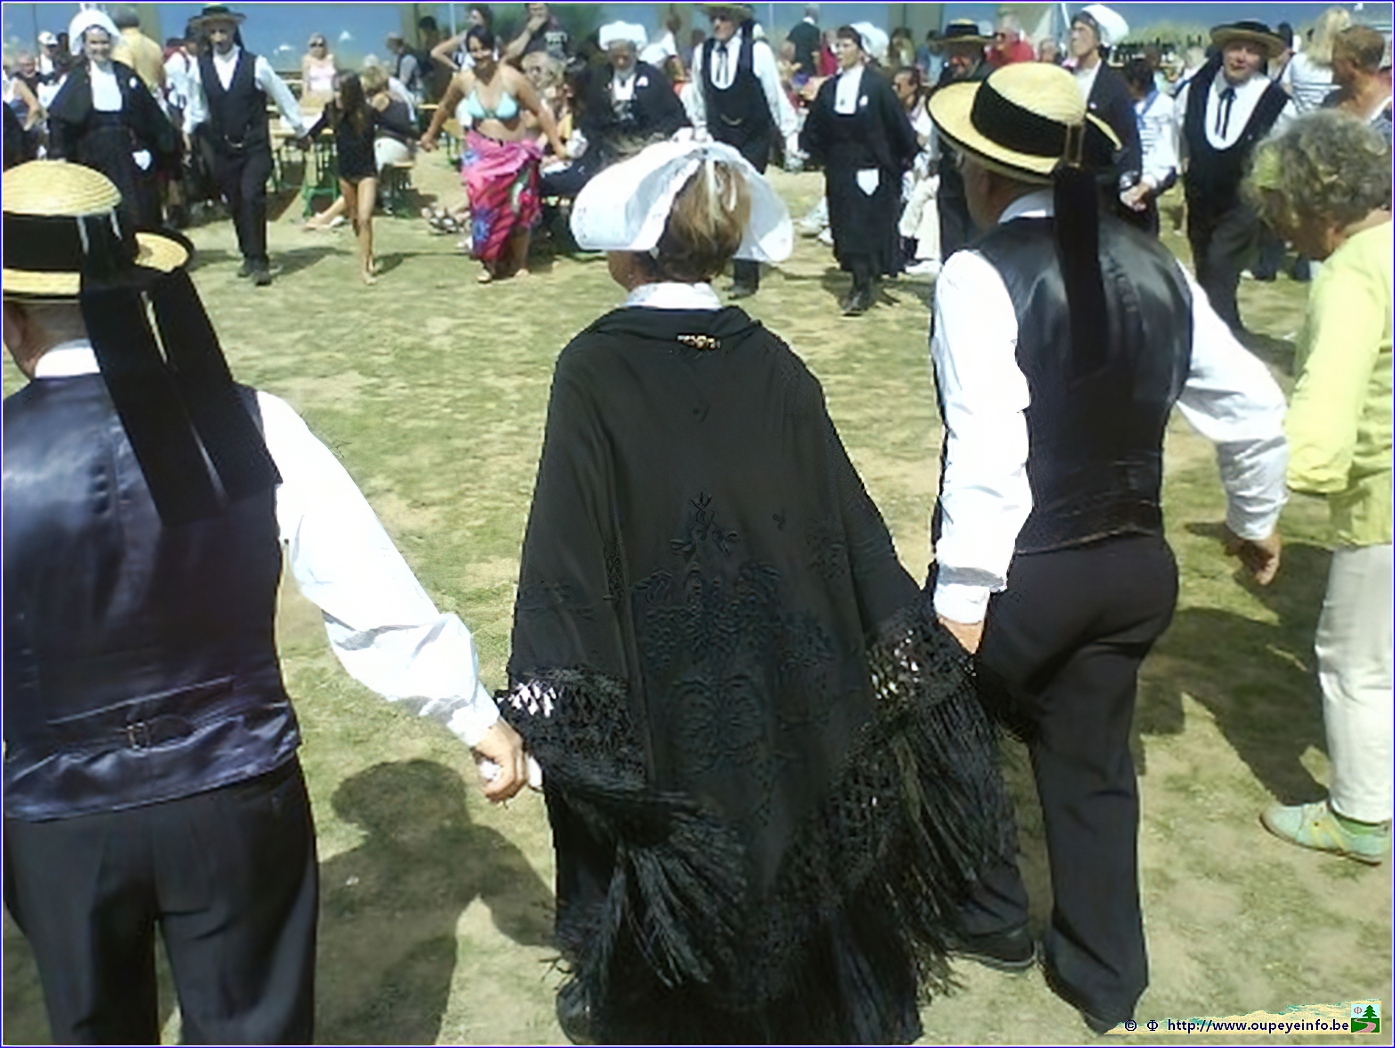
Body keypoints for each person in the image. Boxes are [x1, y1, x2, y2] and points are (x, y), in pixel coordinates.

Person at [1, 159, 528, 1046]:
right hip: (235, 791)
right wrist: (474, 714)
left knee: (91, 1028)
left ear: (12, 317)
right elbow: (364, 589)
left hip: (57, 813)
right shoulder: (252, 420)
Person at [504, 137, 1013, 1045]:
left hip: (663, 680)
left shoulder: (593, 365)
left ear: (625, 249)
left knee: (677, 850)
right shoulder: (770, 357)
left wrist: (555, 698)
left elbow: (567, 556)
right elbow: (845, 534)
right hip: (787, 683)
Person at [925, 61, 1288, 1034]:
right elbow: (1254, 411)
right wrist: (1255, 523)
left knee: (938, 718)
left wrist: (958, 605)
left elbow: (992, 450)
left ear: (983, 172)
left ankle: (994, 913)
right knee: (1092, 765)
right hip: (1135, 564)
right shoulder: (1158, 263)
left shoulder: (976, 271)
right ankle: (1105, 972)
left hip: (1029, 572)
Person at [1245, 112, 1392, 865]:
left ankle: (1361, 815)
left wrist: (1265, 505)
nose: (1275, 226)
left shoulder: (1353, 272)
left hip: (1385, 502)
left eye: (1278, 208)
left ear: (1313, 202)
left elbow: (1326, 405)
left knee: (1354, 657)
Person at [1177, 20, 1296, 335]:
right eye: (1235, 48)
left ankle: (1214, 343)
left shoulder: (1275, 102)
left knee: (1220, 264)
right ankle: (1228, 331)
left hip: (1242, 202)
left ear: (1262, 58)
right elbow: (1175, 133)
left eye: (1252, 51)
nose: (1241, 57)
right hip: (1200, 198)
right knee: (1207, 269)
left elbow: (1286, 152)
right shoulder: (1195, 90)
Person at [421, 25, 566, 282]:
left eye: (484, 49)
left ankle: (520, 263)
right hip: (482, 153)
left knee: (519, 206)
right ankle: (490, 262)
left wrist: (557, 144)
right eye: (474, 50)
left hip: (515, 153)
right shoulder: (464, 80)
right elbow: (444, 107)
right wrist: (431, 133)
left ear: (495, 49)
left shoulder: (513, 78)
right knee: (482, 206)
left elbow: (540, 112)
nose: (480, 55)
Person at [183, 3, 307, 286]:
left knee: (252, 195)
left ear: (233, 30)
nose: (219, 36)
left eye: (224, 30)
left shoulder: (256, 63)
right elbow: (197, 108)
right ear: (206, 33)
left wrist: (300, 129)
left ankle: (260, 259)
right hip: (222, 148)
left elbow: (282, 95)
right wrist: (188, 134)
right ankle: (247, 255)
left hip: (254, 145)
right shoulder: (198, 70)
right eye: (213, 31)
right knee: (236, 201)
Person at [801, 27, 918, 316]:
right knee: (843, 227)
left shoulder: (877, 87)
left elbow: (897, 126)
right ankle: (860, 277)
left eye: (846, 44)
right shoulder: (830, 88)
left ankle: (862, 287)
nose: (839, 50)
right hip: (839, 170)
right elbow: (816, 127)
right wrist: (813, 152)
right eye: (836, 45)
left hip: (870, 170)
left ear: (861, 50)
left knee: (863, 229)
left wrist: (904, 160)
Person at [686, 2, 799, 300]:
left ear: (737, 21)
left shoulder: (757, 52)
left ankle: (746, 275)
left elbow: (774, 95)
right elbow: (698, 95)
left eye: (723, 18)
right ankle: (717, 264)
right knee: (717, 202)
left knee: (742, 203)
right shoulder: (703, 53)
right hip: (719, 137)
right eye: (713, 18)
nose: (717, 24)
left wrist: (789, 136)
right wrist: (700, 129)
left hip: (753, 138)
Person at [47, 9, 178, 231]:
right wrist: (60, 155)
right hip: (95, 158)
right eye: (94, 43)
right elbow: (61, 120)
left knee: (140, 209)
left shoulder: (125, 74)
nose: (100, 48)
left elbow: (150, 114)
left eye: (104, 42)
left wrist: (165, 147)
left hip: (130, 153)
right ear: (84, 46)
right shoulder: (78, 79)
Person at [540, 22, 687, 200]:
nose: (621, 61)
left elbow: (673, 117)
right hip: (606, 153)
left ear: (635, 52)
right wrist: (583, 139)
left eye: (625, 56)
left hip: (646, 151)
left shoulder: (653, 78)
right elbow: (591, 117)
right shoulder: (599, 77)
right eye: (616, 56)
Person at [303, 72, 414, 284]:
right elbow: (314, 131)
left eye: (341, 91)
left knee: (365, 217)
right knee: (354, 219)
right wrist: (304, 139)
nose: (337, 96)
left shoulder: (368, 112)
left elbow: (396, 127)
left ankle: (364, 267)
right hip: (345, 172)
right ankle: (368, 252)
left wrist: (424, 137)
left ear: (352, 93)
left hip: (367, 172)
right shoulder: (331, 111)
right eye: (335, 90)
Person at [1066, 7, 1144, 226]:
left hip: (1100, 188)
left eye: (1082, 30)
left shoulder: (1114, 86)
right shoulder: (1063, 78)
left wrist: (1128, 184)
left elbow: (1128, 139)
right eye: (1073, 30)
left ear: (1099, 39)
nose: (1074, 36)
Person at [928, 20, 991, 262]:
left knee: (978, 240)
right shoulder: (946, 78)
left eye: (962, 54)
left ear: (977, 51)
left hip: (983, 175)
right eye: (951, 53)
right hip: (951, 171)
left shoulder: (990, 81)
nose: (956, 60)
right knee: (951, 238)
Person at [1121, 57, 1179, 235]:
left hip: (1155, 171)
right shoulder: (1127, 105)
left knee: (1144, 220)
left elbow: (1166, 147)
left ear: (1136, 83)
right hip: (1130, 170)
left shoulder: (1165, 106)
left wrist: (1147, 182)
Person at [1327, 26, 1394, 141]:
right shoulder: (1331, 100)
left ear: (1354, 64)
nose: (1330, 63)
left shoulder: (1386, 114)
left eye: (1336, 58)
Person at [1282, 6, 1352, 114]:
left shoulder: (1297, 60)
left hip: (1300, 124)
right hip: (1336, 125)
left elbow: (1285, 90)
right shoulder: (1348, 67)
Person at [109, 3, 165, 97]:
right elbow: (162, 77)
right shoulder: (153, 45)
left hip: (137, 98)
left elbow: (124, 76)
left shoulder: (121, 45)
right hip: (155, 96)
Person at [505, 3, 570, 64]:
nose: (538, 13)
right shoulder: (522, 25)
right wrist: (528, 32)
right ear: (528, 11)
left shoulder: (558, 25)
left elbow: (569, 55)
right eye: (534, 10)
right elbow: (511, 54)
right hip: (528, 68)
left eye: (541, 9)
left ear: (547, 9)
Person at [300, 33, 338, 111]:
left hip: (331, 96)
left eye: (320, 45)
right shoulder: (307, 60)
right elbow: (305, 82)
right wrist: (306, 97)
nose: (317, 48)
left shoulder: (331, 58)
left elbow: (338, 79)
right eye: (313, 45)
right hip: (315, 97)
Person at [386, 31, 424, 104]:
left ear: (396, 44)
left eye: (391, 45)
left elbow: (403, 82)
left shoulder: (408, 59)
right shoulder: (399, 59)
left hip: (414, 95)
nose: (390, 48)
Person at [787, 4, 821, 79]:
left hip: (796, 70)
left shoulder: (795, 29)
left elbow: (788, 48)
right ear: (815, 14)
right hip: (808, 71)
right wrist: (819, 72)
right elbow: (815, 54)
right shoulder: (814, 31)